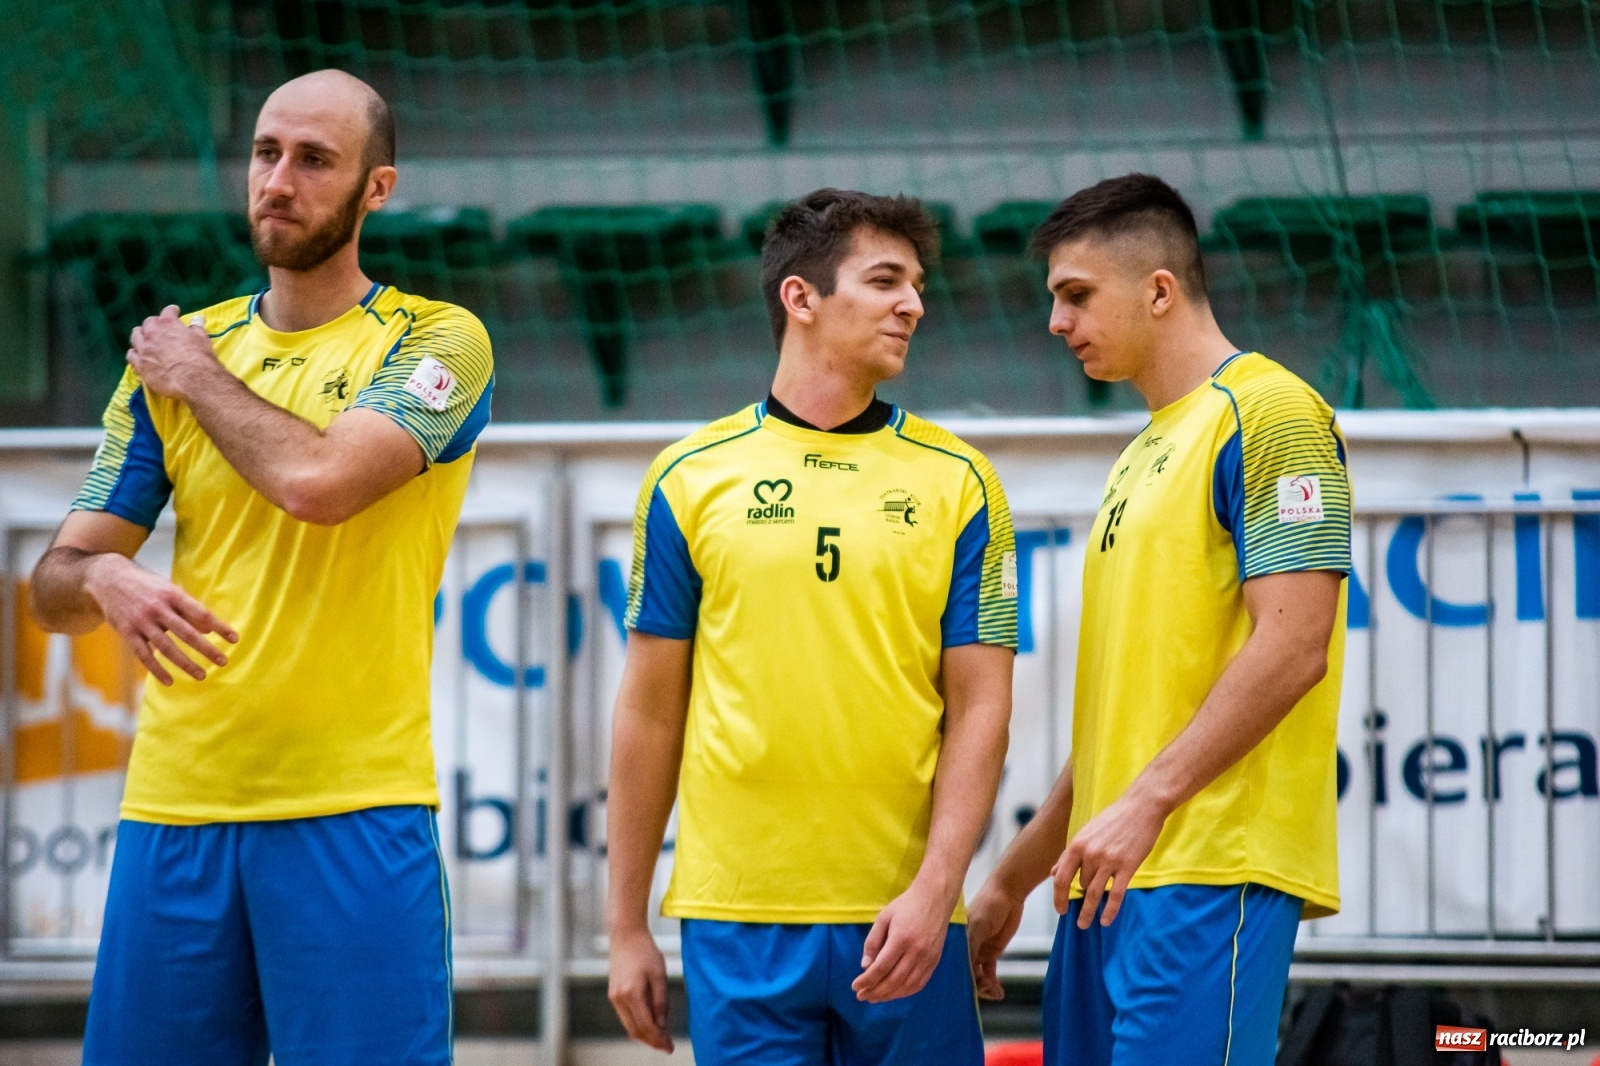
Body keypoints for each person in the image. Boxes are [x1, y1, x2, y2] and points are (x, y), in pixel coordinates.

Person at [31, 70, 493, 1066]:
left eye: (314, 160)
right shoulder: (173, 360)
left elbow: (321, 484)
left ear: (376, 189)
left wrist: (199, 376)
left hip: (353, 808)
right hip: (174, 809)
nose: (278, 181)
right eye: (265, 152)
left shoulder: (437, 339)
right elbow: (52, 588)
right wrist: (103, 579)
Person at [605, 188, 1018, 1065]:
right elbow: (648, 711)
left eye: (917, 285)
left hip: (904, 917)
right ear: (801, 297)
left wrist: (938, 888)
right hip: (737, 917)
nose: (914, 305)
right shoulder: (687, 478)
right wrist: (624, 927)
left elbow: (982, 707)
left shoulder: (961, 480)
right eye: (886, 281)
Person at [966, 174, 1351, 1066]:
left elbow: (1296, 646)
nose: (1056, 322)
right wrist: (1012, 879)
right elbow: (1121, 726)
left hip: (1206, 868)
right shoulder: (1142, 450)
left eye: (1076, 295)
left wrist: (1147, 803)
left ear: (1160, 290)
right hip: (1106, 879)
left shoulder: (1273, 413)